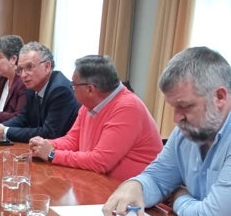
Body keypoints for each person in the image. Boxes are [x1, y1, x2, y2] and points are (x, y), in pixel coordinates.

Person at [103, 46, 231, 216]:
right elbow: (157, 179)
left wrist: (178, 197)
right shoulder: (187, 130)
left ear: (219, 97)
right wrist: (136, 185)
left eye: (185, 106)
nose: (176, 118)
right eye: (173, 107)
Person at [29, 55, 163, 181]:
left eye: (74, 85)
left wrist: (52, 155)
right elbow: (73, 141)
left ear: (90, 89)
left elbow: (100, 162)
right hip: (98, 182)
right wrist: (45, 145)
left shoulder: (127, 107)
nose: (72, 88)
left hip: (131, 194)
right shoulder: (89, 105)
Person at [0, 41, 80, 143]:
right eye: (20, 69)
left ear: (47, 66)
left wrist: (5, 131)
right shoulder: (32, 87)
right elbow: (24, 118)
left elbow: (49, 133)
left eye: (29, 67)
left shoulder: (60, 90)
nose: (24, 75)